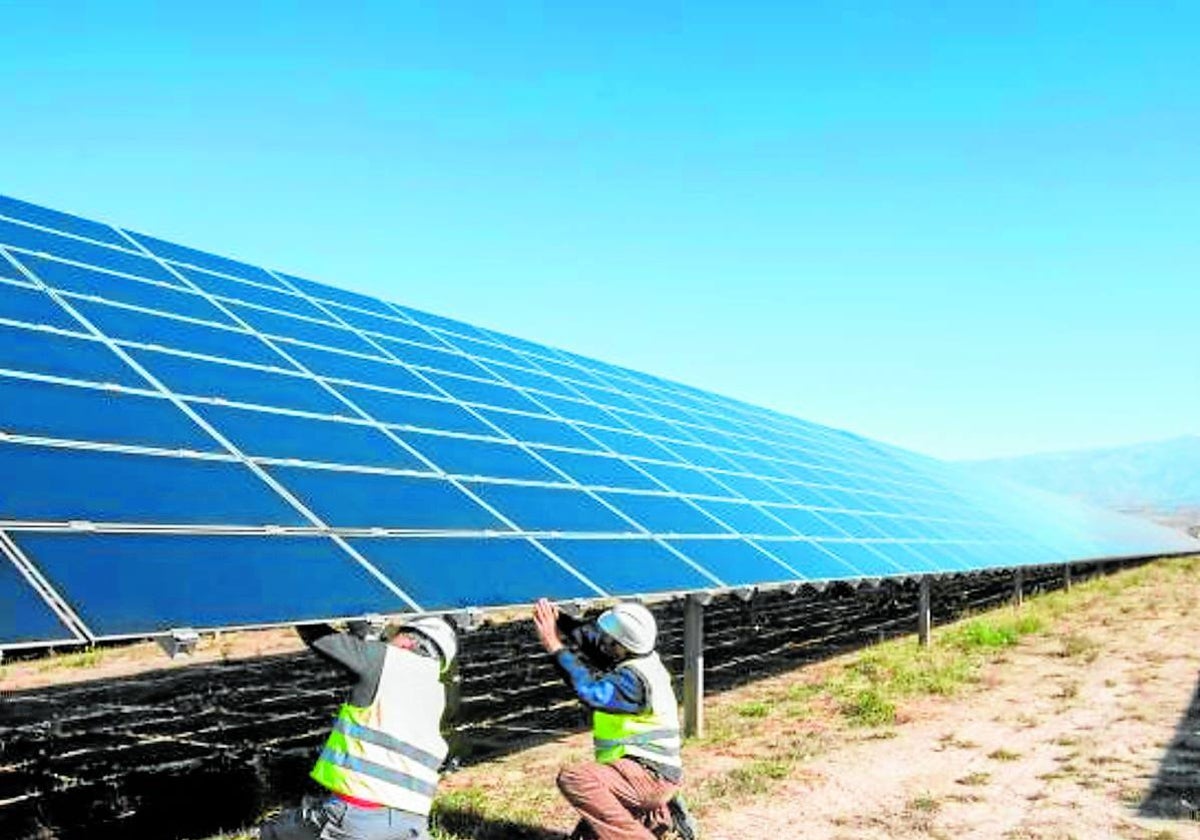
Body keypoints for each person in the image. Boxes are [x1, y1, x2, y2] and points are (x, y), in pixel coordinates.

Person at [258, 615, 458, 840]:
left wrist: (295, 607)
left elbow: (320, 638)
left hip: (357, 818)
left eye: (393, 635)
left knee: (272, 833)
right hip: (412, 822)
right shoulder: (435, 690)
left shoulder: (383, 661)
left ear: (408, 642)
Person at [533, 598, 698, 840]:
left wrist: (553, 644)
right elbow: (594, 643)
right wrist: (562, 620)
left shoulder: (633, 682)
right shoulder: (641, 659)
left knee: (575, 778)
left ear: (620, 645)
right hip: (648, 773)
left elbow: (591, 692)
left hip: (649, 776)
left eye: (608, 638)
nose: (602, 640)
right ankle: (660, 817)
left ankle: (647, 825)